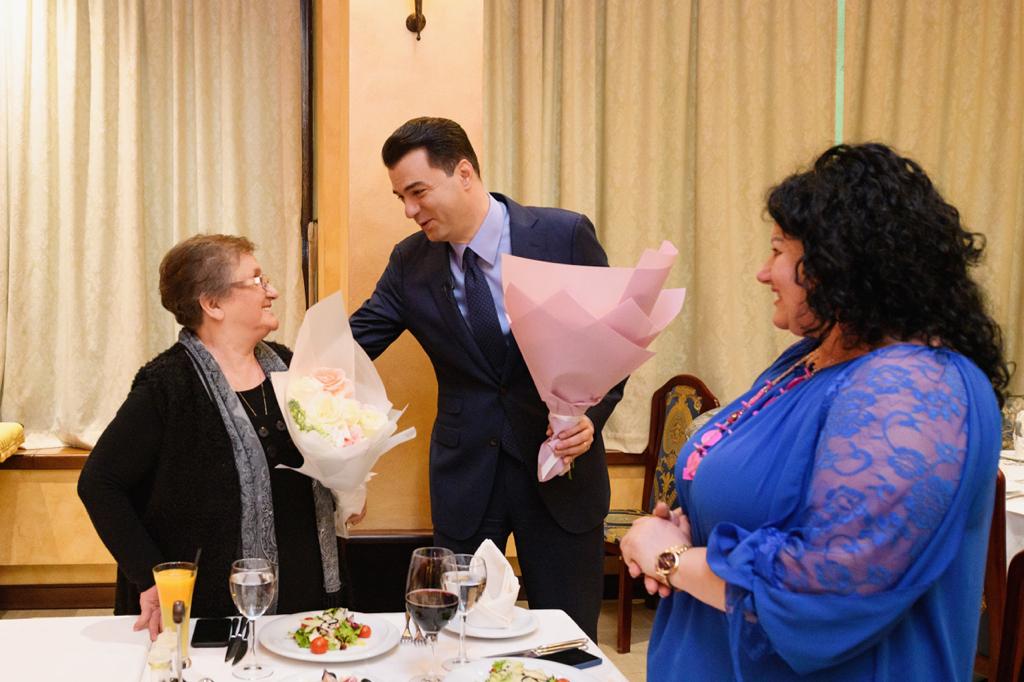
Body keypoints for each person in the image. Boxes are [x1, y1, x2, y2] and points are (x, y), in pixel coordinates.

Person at [620, 143, 1008, 680]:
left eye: (778, 251)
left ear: (837, 263)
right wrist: (689, 529)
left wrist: (673, 560)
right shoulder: (808, 359)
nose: (763, 272)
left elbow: (822, 593)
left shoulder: (914, 386)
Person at [350, 117, 624, 639]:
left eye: (418, 192)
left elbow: (612, 339)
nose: (409, 210)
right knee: (457, 634)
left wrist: (592, 415)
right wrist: (269, 365)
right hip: (467, 476)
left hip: (560, 471)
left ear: (464, 173)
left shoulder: (563, 236)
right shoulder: (410, 262)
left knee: (566, 637)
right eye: (400, 197)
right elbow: (354, 343)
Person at [79, 234, 357, 638]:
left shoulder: (289, 366)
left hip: (307, 593)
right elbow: (99, 484)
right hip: (213, 611)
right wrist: (150, 576)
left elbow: (325, 451)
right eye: (257, 280)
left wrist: (348, 486)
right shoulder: (168, 386)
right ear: (212, 304)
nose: (272, 291)